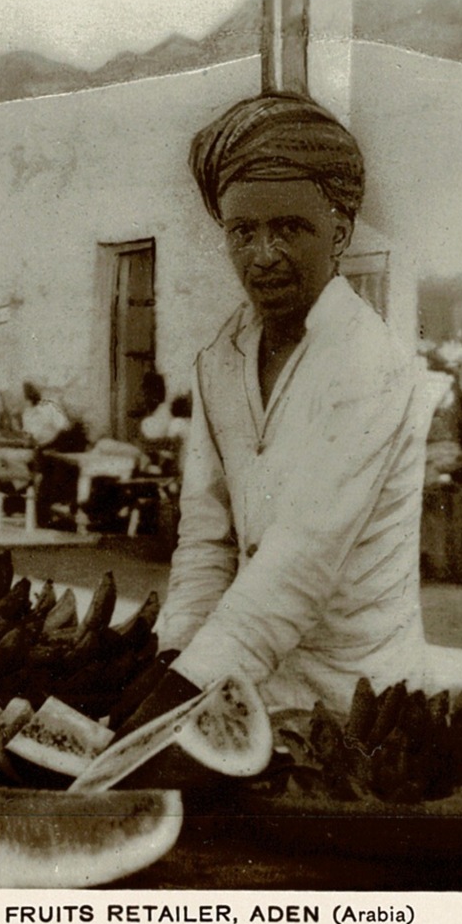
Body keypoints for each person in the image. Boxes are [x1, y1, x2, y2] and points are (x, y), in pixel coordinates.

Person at [128, 91, 430, 720]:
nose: (262, 255)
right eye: (243, 231)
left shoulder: (370, 365)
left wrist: (184, 689)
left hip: (358, 703)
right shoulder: (221, 360)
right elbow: (208, 535)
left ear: (339, 231)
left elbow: (302, 557)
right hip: (244, 690)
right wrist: (174, 653)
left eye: (289, 228)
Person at [20, 381, 71, 449]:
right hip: (48, 442)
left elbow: (63, 426)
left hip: (50, 441)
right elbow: (63, 426)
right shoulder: (29, 413)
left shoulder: (47, 407)